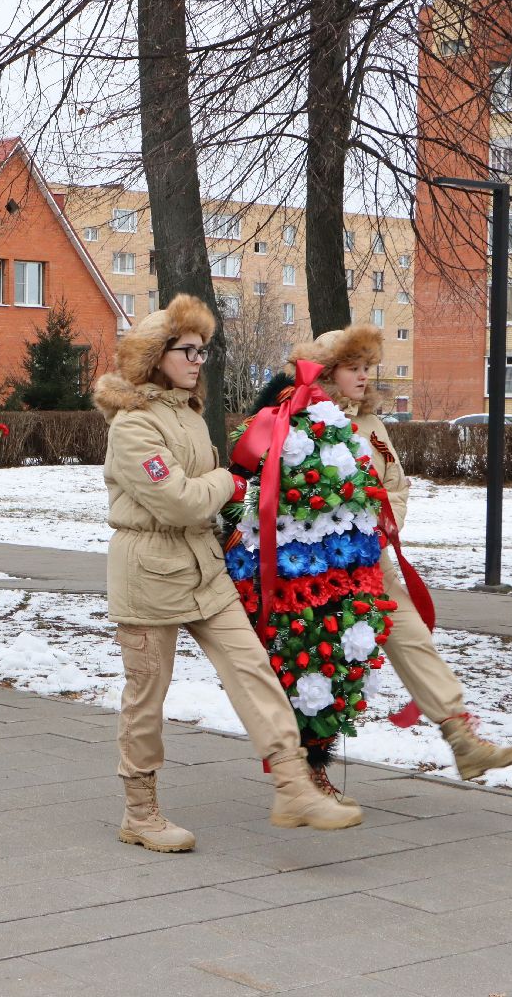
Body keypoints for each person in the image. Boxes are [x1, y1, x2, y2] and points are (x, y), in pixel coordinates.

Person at [93, 294, 360, 853]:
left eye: (202, 352)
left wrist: (217, 487)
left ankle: (292, 785)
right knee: (147, 697)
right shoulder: (133, 426)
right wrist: (229, 483)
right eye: (186, 350)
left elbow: (201, 492)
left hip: (203, 567)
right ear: (152, 356)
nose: (196, 361)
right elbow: (182, 501)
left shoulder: (186, 413)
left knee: (253, 668)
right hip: (149, 572)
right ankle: (139, 813)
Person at [285, 325, 512, 785]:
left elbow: (394, 484)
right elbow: (284, 494)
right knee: (321, 665)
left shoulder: (371, 424)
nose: (363, 377)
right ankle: (307, 774)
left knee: (412, 636)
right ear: (326, 372)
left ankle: (462, 739)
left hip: (373, 564)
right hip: (316, 571)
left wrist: (383, 524)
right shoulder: (300, 421)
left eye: (367, 368)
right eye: (353, 368)